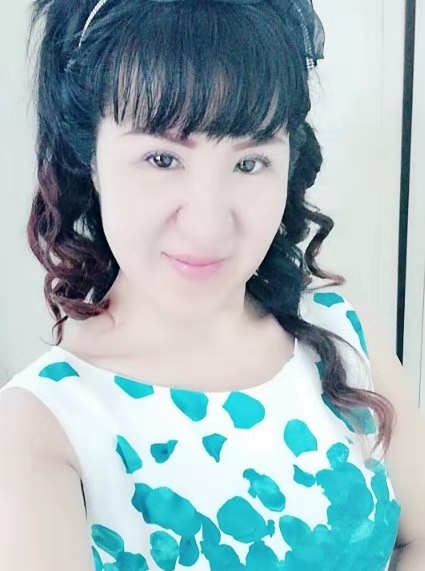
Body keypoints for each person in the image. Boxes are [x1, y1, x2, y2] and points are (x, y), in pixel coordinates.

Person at [0, 0, 424, 569]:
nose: (207, 225)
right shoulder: (42, 429)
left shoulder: (345, 341)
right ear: (90, 159)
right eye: (162, 158)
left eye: (249, 163)